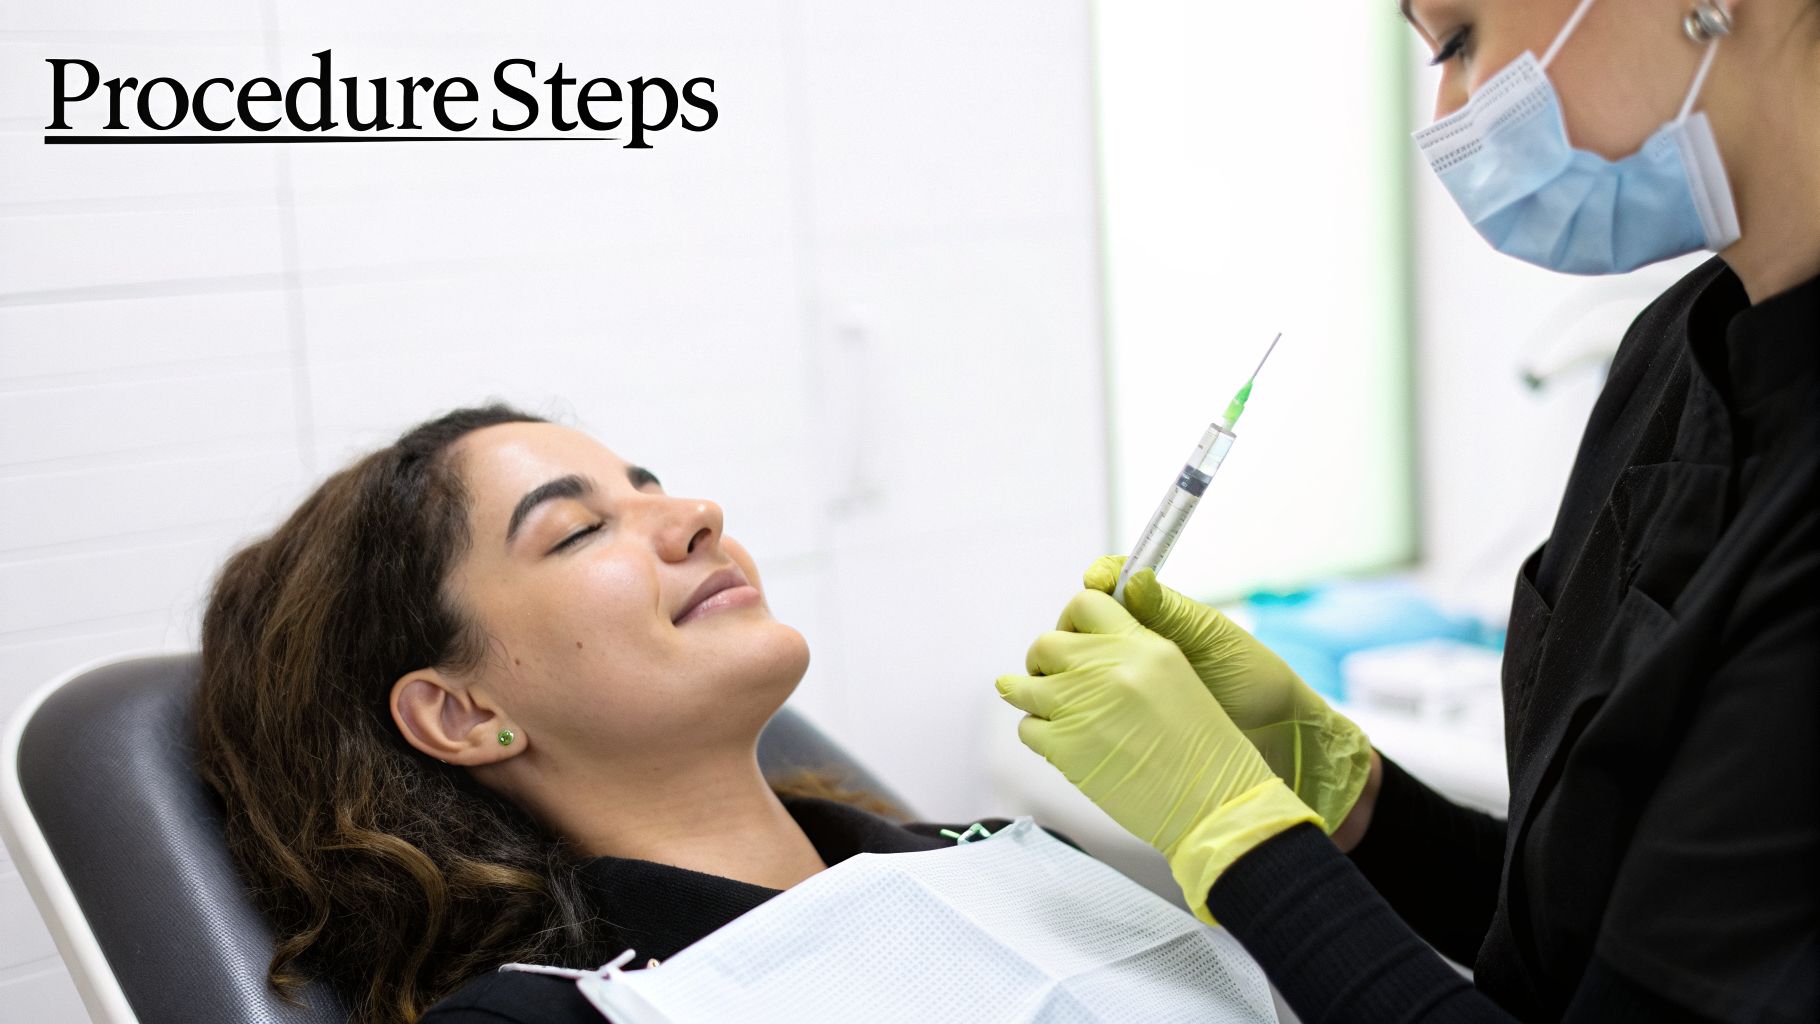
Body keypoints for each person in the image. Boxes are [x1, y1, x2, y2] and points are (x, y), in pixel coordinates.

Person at [995, 0, 1818, 1019]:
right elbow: (1583, 944)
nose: (1448, 110)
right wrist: (1347, 797)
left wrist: (1237, 836)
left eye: (1460, 39)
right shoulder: (1674, 348)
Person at [195, 404, 1076, 1024]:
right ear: (462, 713)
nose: (700, 516)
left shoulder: (1009, 863)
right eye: (579, 530)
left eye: (654, 488)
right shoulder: (554, 1017)